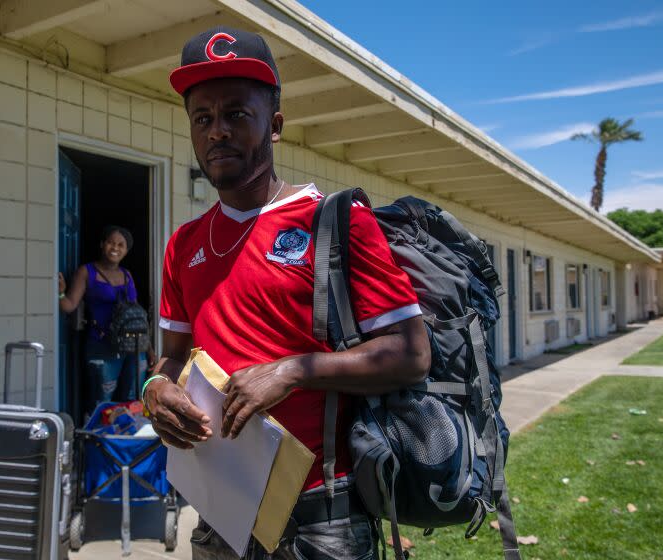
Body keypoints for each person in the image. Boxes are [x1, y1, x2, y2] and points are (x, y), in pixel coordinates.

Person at [143, 27, 431, 560]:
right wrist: (154, 389)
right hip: (218, 510)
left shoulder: (336, 221)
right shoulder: (184, 245)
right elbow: (171, 358)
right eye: (202, 119)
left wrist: (294, 370)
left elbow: (412, 354)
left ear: (274, 126)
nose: (217, 132)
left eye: (236, 114)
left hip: (319, 518)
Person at [59, 225, 153, 410]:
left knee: (133, 398)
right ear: (102, 244)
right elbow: (69, 305)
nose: (115, 248)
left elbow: (135, 316)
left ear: (126, 250)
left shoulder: (127, 275)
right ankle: (101, 438)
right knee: (102, 399)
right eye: (111, 242)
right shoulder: (87, 272)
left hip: (133, 348)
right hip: (102, 346)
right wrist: (60, 294)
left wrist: (149, 350)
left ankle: (125, 438)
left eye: (121, 245)